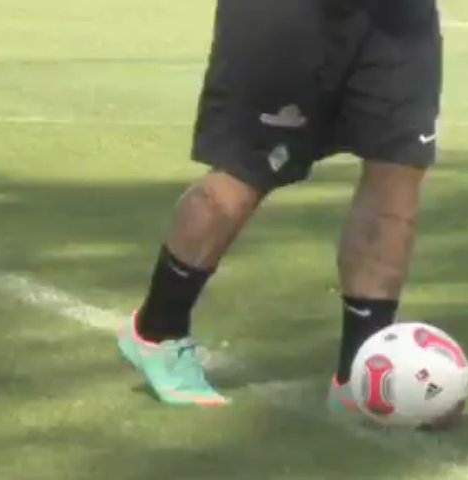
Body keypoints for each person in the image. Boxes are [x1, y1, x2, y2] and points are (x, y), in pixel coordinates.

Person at [118, 0, 443, 409]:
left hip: (398, 17)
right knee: (244, 173)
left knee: (397, 172)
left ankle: (360, 374)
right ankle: (156, 332)